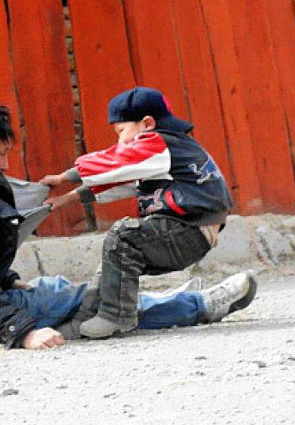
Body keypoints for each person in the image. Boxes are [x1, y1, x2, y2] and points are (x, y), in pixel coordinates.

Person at [0, 103, 254, 350]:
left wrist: (7, 281)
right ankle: (198, 305)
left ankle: (169, 301)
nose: (6, 165)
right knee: (90, 302)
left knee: (67, 295)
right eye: (2, 152)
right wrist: (23, 332)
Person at [41, 86, 255, 339]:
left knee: (122, 237)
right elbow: (124, 183)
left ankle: (116, 317)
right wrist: (68, 198)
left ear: (147, 123)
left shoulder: (158, 143)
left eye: (121, 131)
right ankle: (84, 320)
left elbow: (116, 162)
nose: (120, 141)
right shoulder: (169, 152)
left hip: (186, 230)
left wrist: (65, 177)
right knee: (112, 260)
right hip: (193, 232)